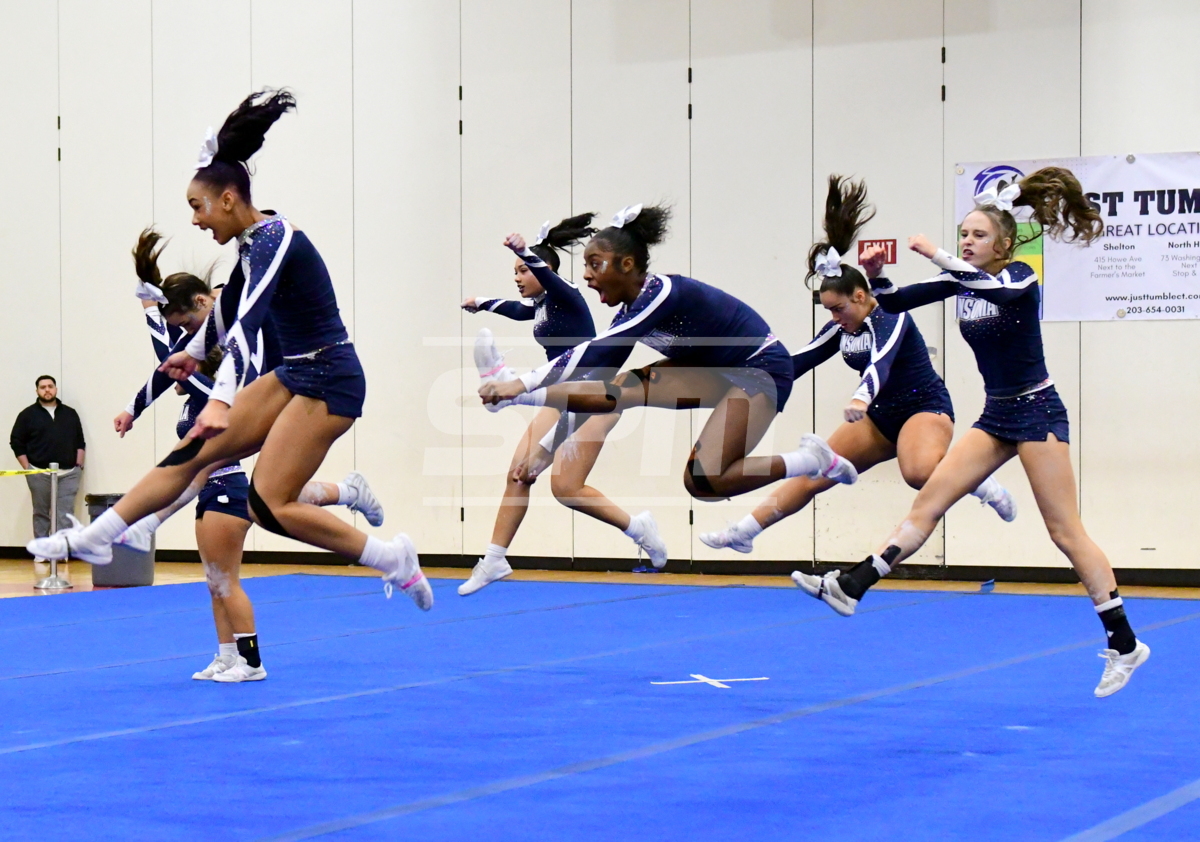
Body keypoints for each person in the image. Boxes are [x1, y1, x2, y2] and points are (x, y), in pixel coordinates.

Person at [29, 89, 432, 612]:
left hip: (331, 376)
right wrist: (193, 353)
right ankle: (98, 536)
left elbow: (248, 321)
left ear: (227, 199)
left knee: (267, 503)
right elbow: (224, 314)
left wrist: (220, 398)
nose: (195, 220)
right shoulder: (250, 245)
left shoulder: (275, 237)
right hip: (297, 374)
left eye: (197, 207)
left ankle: (392, 558)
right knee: (195, 448)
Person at [792, 168, 1149, 697]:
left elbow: (991, 289)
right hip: (997, 415)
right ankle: (853, 585)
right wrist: (875, 281)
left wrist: (938, 254)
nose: (967, 242)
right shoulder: (961, 281)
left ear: (1003, 244)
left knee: (1065, 531)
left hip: (1037, 412)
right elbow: (894, 304)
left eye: (979, 235)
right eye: (963, 234)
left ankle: (1125, 644)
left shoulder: (1019, 278)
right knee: (927, 502)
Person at [116, 230, 385, 681]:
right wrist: (135, 399)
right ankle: (227, 654)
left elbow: (171, 359)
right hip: (229, 454)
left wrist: (150, 317)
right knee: (223, 569)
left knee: (239, 545)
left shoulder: (221, 374)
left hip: (278, 397)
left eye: (188, 328)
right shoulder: (200, 381)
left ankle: (250, 660)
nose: (187, 338)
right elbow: (170, 361)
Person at [700, 176, 1015, 554]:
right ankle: (746, 531)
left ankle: (984, 485)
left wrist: (860, 398)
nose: (834, 318)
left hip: (923, 408)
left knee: (919, 473)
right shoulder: (841, 327)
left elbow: (880, 361)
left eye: (838, 308)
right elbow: (796, 361)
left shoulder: (891, 315)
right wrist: (745, 378)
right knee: (816, 471)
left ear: (861, 296)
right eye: (828, 311)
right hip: (879, 418)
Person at [479, 204, 858, 516]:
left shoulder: (662, 292)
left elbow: (593, 350)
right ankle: (517, 398)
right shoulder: (630, 313)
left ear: (627, 265)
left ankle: (809, 460)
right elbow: (598, 388)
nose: (587, 276)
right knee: (620, 395)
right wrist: (544, 452)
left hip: (761, 370)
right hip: (715, 371)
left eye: (596, 265)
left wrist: (520, 383)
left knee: (705, 479)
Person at [459, 213, 655, 595]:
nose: (518, 278)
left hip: (595, 396)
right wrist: (481, 303)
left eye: (522, 271)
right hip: (563, 392)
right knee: (519, 472)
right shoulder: (542, 305)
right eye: (515, 272)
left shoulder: (566, 294)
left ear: (543, 270)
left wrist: (524, 252)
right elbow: (517, 309)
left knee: (566, 488)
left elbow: (546, 277)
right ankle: (495, 558)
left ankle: (638, 528)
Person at [10, 375, 85, 552]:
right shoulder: (27, 415)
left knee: (65, 514)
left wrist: (79, 465)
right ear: (37, 391)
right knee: (41, 512)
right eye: (42, 387)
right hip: (38, 472)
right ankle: (42, 550)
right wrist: (27, 468)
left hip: (68, 473)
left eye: (50, 386)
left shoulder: (70, 413)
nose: (47, 390)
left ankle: (61, 550)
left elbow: (80, 441)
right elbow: (16, 442)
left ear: (56, 389)